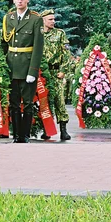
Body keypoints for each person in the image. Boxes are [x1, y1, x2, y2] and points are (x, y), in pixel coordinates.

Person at [0, 0, 44, 143]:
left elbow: (38, 47)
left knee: (27, 103)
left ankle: (25, 135)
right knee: (13, 104)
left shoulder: (35, 19)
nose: (19, 1)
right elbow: (4, 43)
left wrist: (33, 71)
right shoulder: (8, 18)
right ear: (13, 0)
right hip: (11, 66)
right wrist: (2, 66)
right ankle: (16, 135)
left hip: (26, 66)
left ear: (28, 0)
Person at [40, 9, 70, 141]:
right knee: (45, 101)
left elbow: (66, 54)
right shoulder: (38, 34)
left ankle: (64, 129)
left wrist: (63, 70)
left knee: (60, 100)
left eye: (54, 19)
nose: (53, 21)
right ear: (43, 20)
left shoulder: (60, 34)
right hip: (43, 73)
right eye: (50, 19)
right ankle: (47, 129)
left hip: (56, 71)